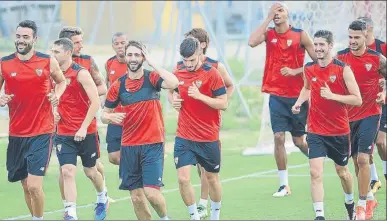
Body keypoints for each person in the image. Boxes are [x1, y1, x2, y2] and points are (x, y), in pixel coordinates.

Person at [0, 20, 67, 220]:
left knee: (34, 185)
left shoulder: (47, 61)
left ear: (34, 39)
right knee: (25, 185)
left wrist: (56, 94)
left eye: (25, 37)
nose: (21, 40)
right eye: (18, 36)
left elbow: (61, 82)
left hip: (42, 131)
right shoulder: (3, 64)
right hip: (16, 133)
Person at [101, 41, 178, 220]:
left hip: (152, 143)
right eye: (130, 55)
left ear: (143, 57)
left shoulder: (152, 78)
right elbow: (104, 114)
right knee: (136, 198)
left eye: (137, 55)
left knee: (151, 193)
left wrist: (154, 63)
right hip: (128, 146)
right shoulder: (118, 86)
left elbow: (173, 82)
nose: (133, 58)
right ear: (125, 57)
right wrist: (110, 117)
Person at [248, 2, 317, 197]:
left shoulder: (300, 34)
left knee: (298, 141)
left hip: (298, 96)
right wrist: (267, 18)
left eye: (280, 10)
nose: (276, 14)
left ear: (288, 14)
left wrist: (296, 71)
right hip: (276, 95)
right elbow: (251, 42)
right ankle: (284, 185)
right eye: (273, 11)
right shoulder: (269, 34)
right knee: (278, 137)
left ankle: (317, 159)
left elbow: (317, 64)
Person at [292, 30, 361, 220]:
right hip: (315, 129)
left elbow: (357, 99)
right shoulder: (309, 68)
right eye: (316, 44)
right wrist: (298, 102)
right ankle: (320, 216)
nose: (318, 48)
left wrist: (333, 96)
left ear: (331, 46)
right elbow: (307, 88)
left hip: (339, 131)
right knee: (315, 173)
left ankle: (349, 203)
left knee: (343, 172)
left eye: (322, 45)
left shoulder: (343, 69)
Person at [170, 28, 235, 219]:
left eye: (191, 60)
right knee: (183, 179)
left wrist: (200, 97)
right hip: (184, 136)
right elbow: (173, 91)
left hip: (208, 136)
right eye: (185, 60)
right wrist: (174, 99)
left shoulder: (212, 73)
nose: (188, 64)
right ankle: (194, 216)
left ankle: (214, 215)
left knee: (211, 179)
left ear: (199, 53)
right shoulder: (178, 71)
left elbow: (223, 103)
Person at [51, 38, 108, 220]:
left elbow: (96, 102)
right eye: (52, 51)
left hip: (85, 132)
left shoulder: (81, 73)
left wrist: (83, 128)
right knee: (67, 171)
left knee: (91, 171)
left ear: (68, 53)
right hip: (63, 132)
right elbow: (52, 98)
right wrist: (53, 112)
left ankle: (102, 196)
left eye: (56, 52)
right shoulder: (52, 74)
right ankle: (71, 212)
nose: (53, 55)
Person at [336, 20, 386, 220]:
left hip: (371, 113)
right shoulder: (340, 58)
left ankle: (362, 205)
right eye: (350, 37)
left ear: (366, 36)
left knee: (364, 158)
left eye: (357, 37)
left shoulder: (377, 59)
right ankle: (371, 197)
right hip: (347, 117)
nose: (353, 41)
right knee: (356, 161)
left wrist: (384, 93)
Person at [357, 16, 387, 194]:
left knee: (381, 142)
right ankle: (374, 179)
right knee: (365, 143)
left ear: (368, 28)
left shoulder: (382, 48)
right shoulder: (356, 51)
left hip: (383, 102)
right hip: (363, 105)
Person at [104, 32, 128, 166]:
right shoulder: (109, 63)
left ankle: (132, 175)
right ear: (113, 46)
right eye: (117, 43)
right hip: (115, 116)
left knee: (131, 151)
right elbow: (108, 83)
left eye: (123, 43)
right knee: (113, 157)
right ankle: (132, 170)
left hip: (132, 117)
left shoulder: (136, 63)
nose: (120, 46)